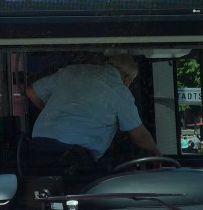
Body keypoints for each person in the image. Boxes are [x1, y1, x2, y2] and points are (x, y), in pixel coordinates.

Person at [25, 54, 159, 172]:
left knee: (39, 187)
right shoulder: (120, 91)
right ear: (128, 79)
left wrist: (52, 114)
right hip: (75, 156)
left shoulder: (73, 71)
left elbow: (31, 92)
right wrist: (156, 154)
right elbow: (139, 135)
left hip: (40, 145)